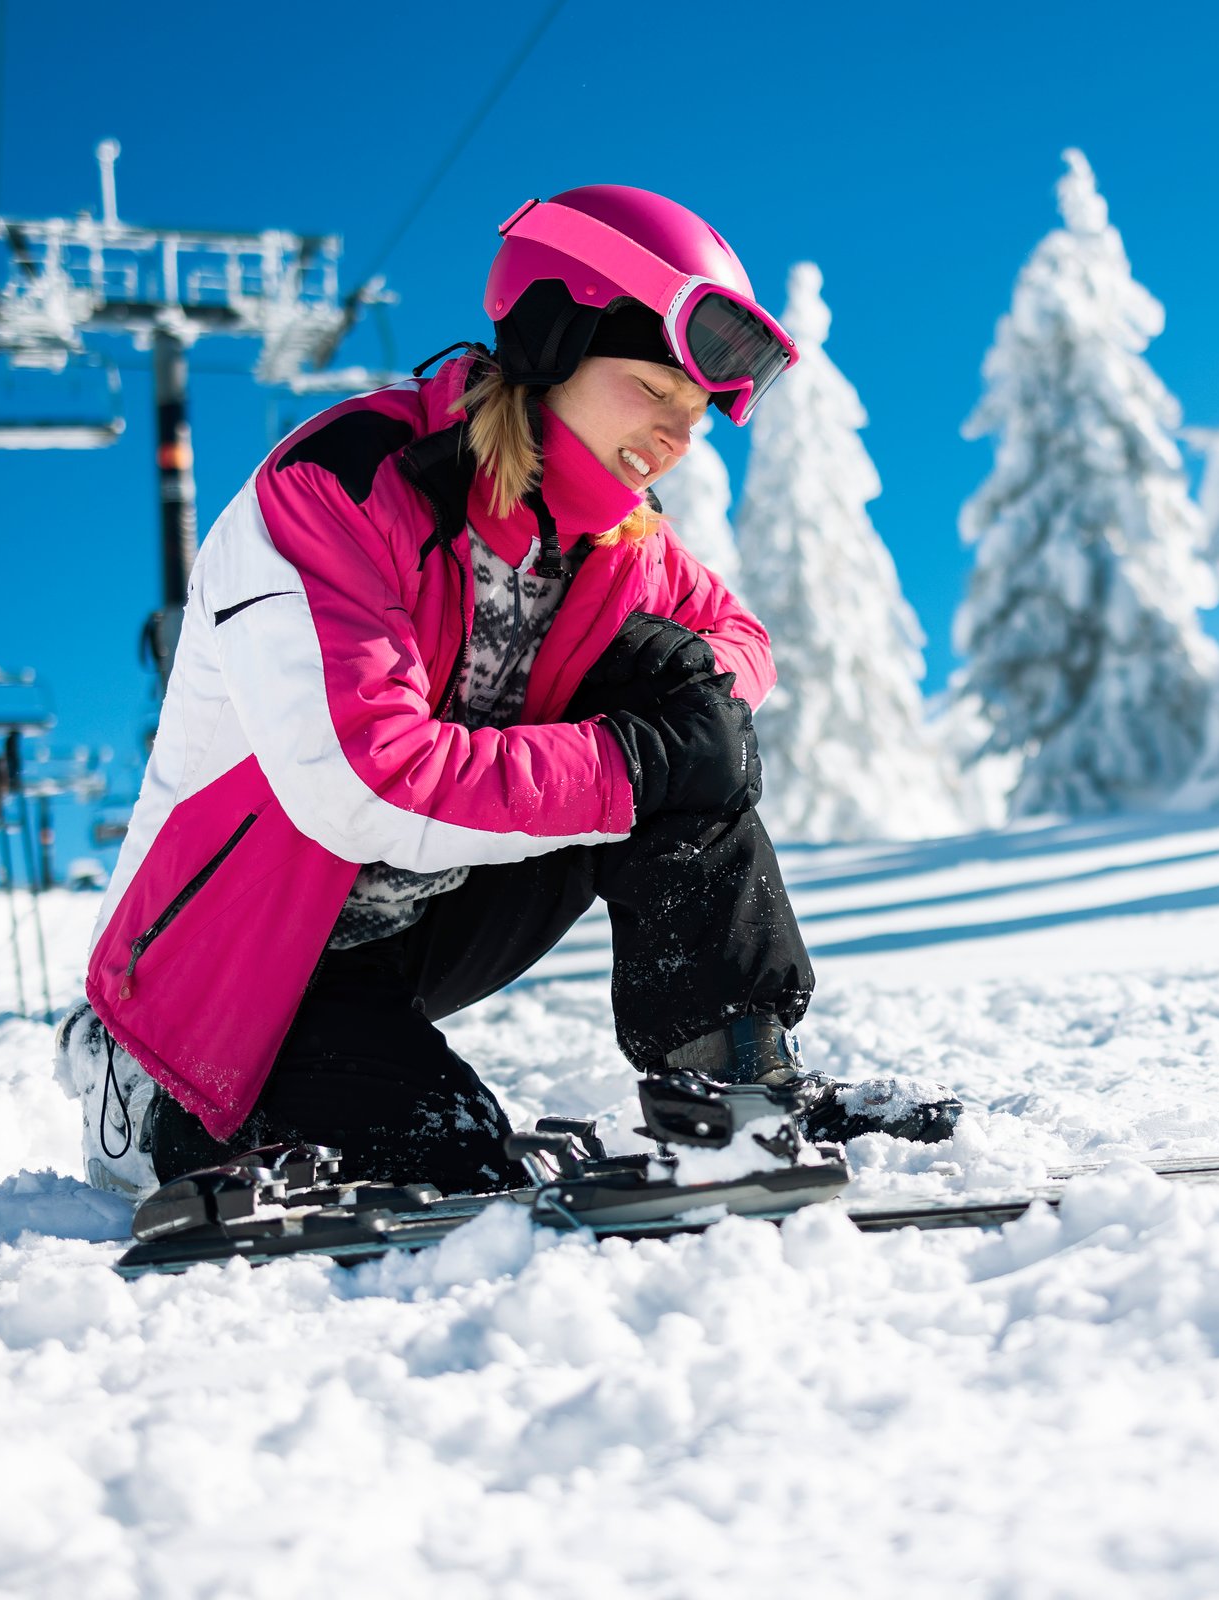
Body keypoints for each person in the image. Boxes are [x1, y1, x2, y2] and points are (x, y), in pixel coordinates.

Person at [58, 185, 959, 1197]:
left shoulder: (614, 543)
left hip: (399, 938)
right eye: (653, 390)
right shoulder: (342, 487)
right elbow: (366, 781)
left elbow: (738, 642)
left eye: (696, 413)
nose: (679, 437)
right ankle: (136, 1091)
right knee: (447, 1160)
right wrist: (633, 759)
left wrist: (688, 723)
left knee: (680, 689)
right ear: (552, 339)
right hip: (227, 966)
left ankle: (733, 1082)